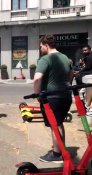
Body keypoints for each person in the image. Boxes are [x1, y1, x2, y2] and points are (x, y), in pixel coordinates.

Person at [34, 34, 73, 163]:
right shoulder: (66, 57)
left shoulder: (45, 59)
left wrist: (37, 94)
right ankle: (61, 149)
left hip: (52, 98)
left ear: (46, 45)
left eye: (41, 47)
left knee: (54, 125)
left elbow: (37, 78)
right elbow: (71, 75)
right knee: (59, 123)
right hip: (66, 96)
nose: (40, 49)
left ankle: (56, 155)